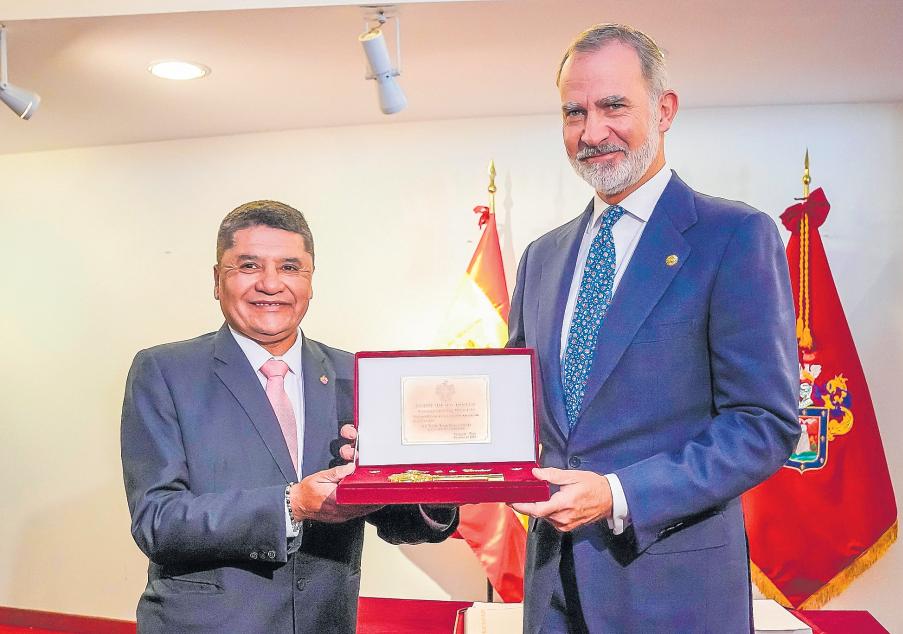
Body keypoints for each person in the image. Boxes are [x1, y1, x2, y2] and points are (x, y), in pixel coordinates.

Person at [509, 24, 800, 632]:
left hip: (674, 595)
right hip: (551, 592)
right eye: (574, 112)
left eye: (613, 106)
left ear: (664, 110)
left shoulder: (734, 236)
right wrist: (408, 451)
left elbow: (762, 423)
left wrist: (617, 494)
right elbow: (513, 414)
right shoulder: (541, 257)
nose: (592, 132)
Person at [121, 200, 457, 633]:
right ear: (217, 280)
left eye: (290, 267)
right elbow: (157, 521)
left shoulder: (356, 376)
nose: (270, 284)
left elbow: (400, 520)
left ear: (310, 281)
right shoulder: (164, 371)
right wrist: (291, 505)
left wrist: (435, 478)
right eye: (248, 266)